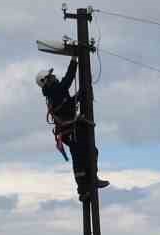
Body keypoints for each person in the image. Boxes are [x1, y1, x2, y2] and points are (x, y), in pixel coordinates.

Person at [35, 61, 108, 197]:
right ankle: (84, 188)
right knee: (81, 156)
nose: (54, 77)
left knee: (89, 152)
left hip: (70, 130)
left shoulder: (54, 92)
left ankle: (90, 182)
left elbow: (68, 104)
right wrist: (74, 60)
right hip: (70, 131)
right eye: (51, 76)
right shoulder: (55, 90)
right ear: (46, 81)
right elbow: (68, 79)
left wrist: (80, 95)